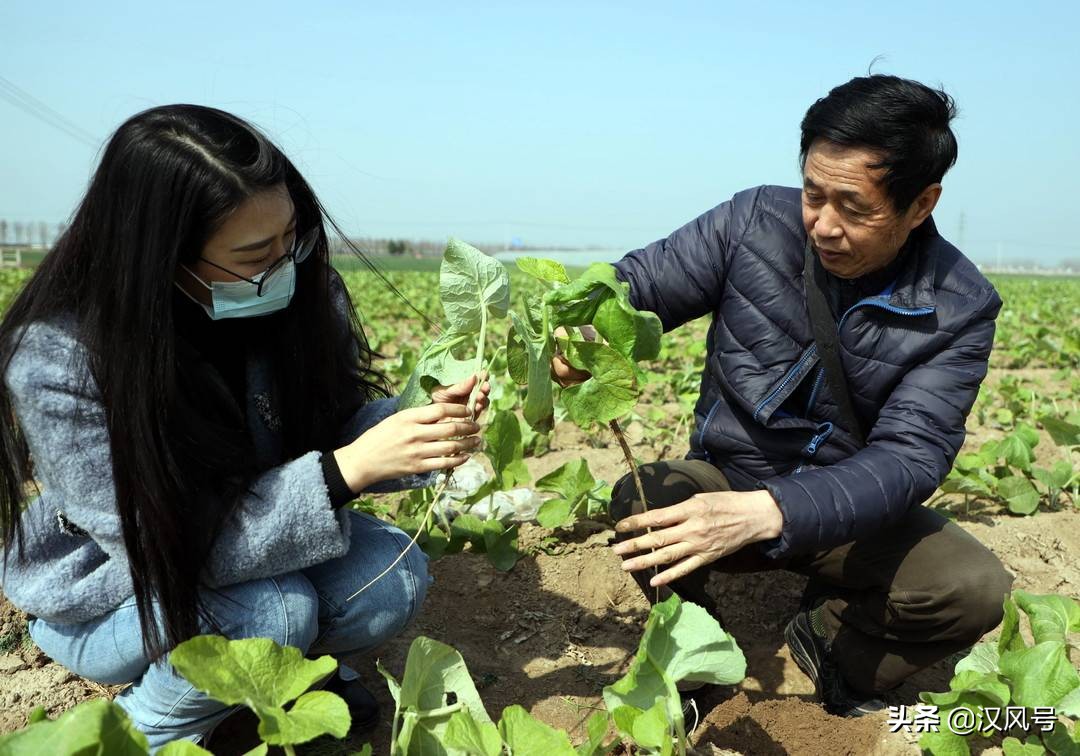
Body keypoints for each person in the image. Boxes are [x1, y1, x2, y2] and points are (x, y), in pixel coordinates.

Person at [0, 105, 488, 750]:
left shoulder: (293, 291)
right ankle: (136, 734)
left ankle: (268, 690)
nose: (284, 262)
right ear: (162, 257)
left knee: (388, 578)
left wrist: (420, 426)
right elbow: (162, 545)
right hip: (120, 589)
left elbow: (336, 424)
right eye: (255, 251)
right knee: (271, 612)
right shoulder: (63, 358)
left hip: (253, 552)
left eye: (293, 236)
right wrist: (346, 470)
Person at [553, 75, 1013, 716]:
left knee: (971, 587)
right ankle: (697, 648)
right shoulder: (752, 224)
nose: (823, 225)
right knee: (644, 498)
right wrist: (582, 333)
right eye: (812, 194)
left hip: (852, 514)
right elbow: (635, 290)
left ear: (921, 204)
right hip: (725, 477)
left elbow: (910, 457)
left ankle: (831, 646)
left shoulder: (959, 307)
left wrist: (773, 510)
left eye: (853, 207)